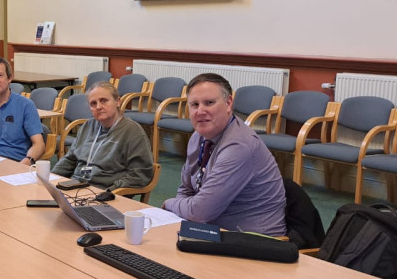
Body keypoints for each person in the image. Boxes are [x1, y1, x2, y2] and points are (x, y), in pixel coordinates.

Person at [162, 73, 287, 236]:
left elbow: (200, 211)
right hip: (211, 229)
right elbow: (186, 188)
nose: (200, 111)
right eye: (194, 104)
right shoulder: (198, 137)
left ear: (228, 103)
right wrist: (181, 212)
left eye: (209, 103)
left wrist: (171, 204)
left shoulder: (239, 146)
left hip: (252, 239)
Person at [52, 81, 154, 191]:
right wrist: (50, 178)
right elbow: (70, 159)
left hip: (105, 192)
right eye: (93, 103)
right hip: (76, 186)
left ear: (118, 102)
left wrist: (110, 191)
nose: (99, 107)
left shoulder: (133, 132)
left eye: (104, 101)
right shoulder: (87, 126)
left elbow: (140, 174)